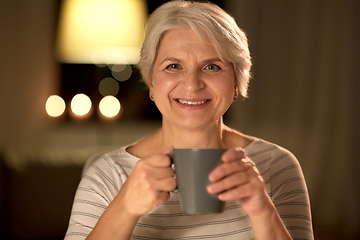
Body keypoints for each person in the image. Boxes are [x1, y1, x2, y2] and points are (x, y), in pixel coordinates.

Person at [64, 1, 313, 239]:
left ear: (237, 83)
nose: (192, 85)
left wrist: (262, 210)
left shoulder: (277, 166)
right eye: (173, 66)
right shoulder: (108, 174)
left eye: (212, 67)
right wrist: (125, 208)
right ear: (151, 82)